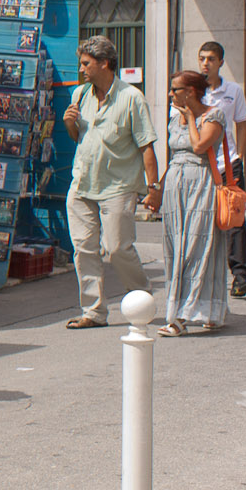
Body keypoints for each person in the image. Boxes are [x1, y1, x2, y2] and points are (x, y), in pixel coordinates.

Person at [62, 35, 160, 329]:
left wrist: (153, 188)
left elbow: (146, 146)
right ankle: (93, 311)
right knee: (84, 249)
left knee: (117, 247)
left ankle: (142, 299)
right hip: (82, 183)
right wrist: (69, 122)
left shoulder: (131, 97)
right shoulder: (79, 94)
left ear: (104, 63)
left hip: (118, 186)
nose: (82, 69)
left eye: (86, 63)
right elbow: (77, 136)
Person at [151, 70, 230, 336]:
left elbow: (199, 146)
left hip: (201, 183)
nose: (171, 94)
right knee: (177, 247)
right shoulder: (175, 121)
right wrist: (158, 190)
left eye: (176, 89)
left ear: (191, 91)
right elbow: (173, 155)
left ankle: (182, 317)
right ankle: (189, 309)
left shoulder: (214, 116)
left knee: (199, 246)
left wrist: (190, 119)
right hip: (176, 184)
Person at [193, 42, 246, 298]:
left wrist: (240, 155)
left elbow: (241, 123)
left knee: (234, 217)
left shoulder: (233, 91)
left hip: (227, 163)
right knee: (202, 217)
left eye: (210, 58)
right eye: (202, 58)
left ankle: (240, 276)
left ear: (220, 62)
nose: (205, 63)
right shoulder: (193, 91)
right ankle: (201, 274)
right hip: (201, 164)